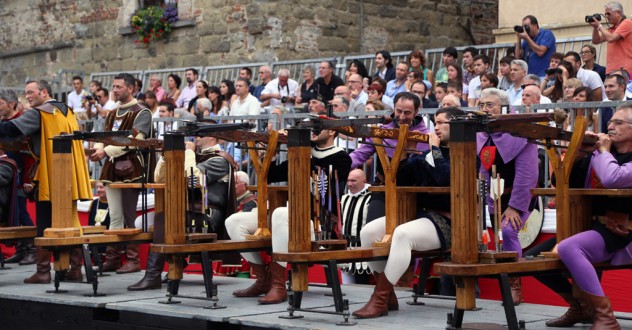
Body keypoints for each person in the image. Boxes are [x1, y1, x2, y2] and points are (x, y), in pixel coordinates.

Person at [353, 107, 465, 318]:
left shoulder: (465, 153)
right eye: (435, 122)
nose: (437, 127)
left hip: (447, 222)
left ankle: (379, 298)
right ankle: (388, 296)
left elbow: (444, 178)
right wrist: (404, 152)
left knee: (402, 235)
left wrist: (435, 151)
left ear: (456, 126)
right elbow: (399, 178)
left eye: (442, 123)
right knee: (368, 232)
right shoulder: (426, 153)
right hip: (418, 216)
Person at [226, 123, 351, 304]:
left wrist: (301, 151)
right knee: (234, 221)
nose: (312, 132)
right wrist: (272, 149)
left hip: (318, 222)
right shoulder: (303, 152)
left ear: (332, 131)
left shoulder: (341, 158)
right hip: (291, 218)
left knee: (280, 213)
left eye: (317, 128)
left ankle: (279, 286)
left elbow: (325, 192)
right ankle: (263, 279)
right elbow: (267, 175)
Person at [543, 103, 632, 329]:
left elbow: (614, 178)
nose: (611, 126)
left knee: (568, 248)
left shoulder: (604, 154)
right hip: (595, 227)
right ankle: (581, 308)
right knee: (533, 261)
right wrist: (580, 150)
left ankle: (606, 317)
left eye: (619, 123)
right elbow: (561, 182)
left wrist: (601, 151)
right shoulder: (602, 153)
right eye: (611, 121)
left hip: (625, 232)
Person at [0, 80, 92, 283]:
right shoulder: (66, 109)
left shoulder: (40, 112)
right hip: (70, 174)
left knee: (44, 223)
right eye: (25, 93)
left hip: (51, 175)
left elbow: (12, 130)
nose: (28, 96)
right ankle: (74, 269)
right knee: (70, 221)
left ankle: (43, 271)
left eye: (31, 92)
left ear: (44, 92)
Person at [128, 133, 237, 291]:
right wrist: (166, 157)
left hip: (207, 216)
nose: (196, 138)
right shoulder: (195, 157)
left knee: (163, 219)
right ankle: (176, 260)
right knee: (142, 222)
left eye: (200, 135)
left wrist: (189, 153)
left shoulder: (220, 160)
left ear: (212, 138)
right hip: (187, 212)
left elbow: (192, 179)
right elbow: (159, 179)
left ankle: (153, 275)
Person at [477, 88, 538, 305]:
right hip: (497, 197)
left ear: (504, 107)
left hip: (521, 196)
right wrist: (491, 204)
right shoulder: (482, 132)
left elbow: (527, 174)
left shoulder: (521, 131)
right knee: (499, 238)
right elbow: (485, 171)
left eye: (490, 105)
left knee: (509, 231)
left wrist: (514, 206)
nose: (484, 109)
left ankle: (515, 287)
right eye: (482, 105)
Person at [89, 73, 153, 275]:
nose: (114, 90)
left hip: (131, 167)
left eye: (118, 87)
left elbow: (134, 141)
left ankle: (133, 260)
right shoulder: (111, 113)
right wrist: (98, 148)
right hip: (111, 166)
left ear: (131, 88)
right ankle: (114, 258)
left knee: (129, 215)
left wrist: (104, 151)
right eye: (113, 86)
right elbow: (104, 136)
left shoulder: (142, 112)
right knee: (114, 215)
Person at [0, 89, 36, 265]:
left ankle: (33, 249)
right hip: (6, 176)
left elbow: (28, 154)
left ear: (11, 104)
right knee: (12, 212)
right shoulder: (3, 122)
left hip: (22, 175)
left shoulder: (22, 122)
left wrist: (29, 180)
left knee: (21, 212)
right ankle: (22, 248)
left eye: (0, 103)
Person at [589, 1, 632, 75]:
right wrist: (595, 28)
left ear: (618, 12)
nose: (606, 16)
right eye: (605, 14)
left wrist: (599, 25)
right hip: (611, 70)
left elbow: (611, 38)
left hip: (624, 69)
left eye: (608, 13)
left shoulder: (627, 22)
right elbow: (596, 41)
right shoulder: (611, 29)